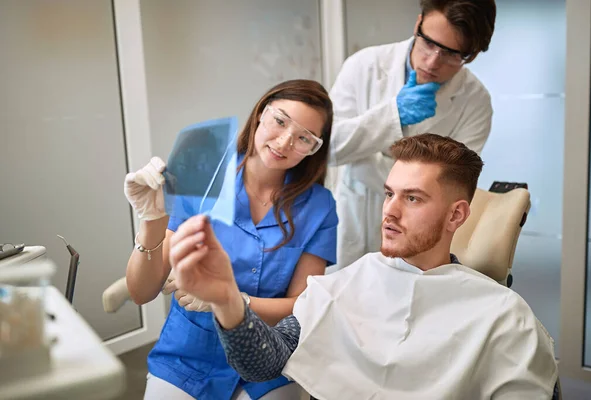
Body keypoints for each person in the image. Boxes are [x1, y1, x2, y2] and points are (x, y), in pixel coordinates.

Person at [169, 134, 558, 399]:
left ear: (457, 215)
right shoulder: (350, 282)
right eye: (389, 193)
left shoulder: (503, 315)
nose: (389, 210)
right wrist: (227, 302)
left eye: (413, 199)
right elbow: (264, 362)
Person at [123, 79, 338, 399]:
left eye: (303, 138)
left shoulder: (318, 206)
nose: (284, 142)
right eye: (280, 121)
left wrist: (232, 303)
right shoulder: (203, 175)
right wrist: (152, 221)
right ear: (261, 114)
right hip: (188, 357)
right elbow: (141, 292)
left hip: (267, 359)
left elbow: (301, 305)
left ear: (314, 148)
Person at [329, 0, 497, 269]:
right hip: (355, 219)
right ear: (418, 23)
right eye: (429, 43)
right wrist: (392, 115)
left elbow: (456, 182)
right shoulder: (364, 66)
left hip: (420, 240)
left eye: (452, 54)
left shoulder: (475, 101)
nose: (432, 62)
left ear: (472, 55)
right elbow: (327, 149)